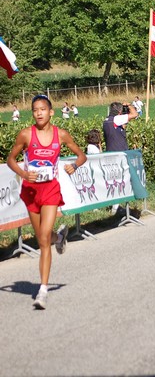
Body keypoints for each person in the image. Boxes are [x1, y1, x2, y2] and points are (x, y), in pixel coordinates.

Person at [6, 94, 86, 310]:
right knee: (43, 236)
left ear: (51, 112)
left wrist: (74, 166)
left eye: (43, 109)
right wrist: (24, 174)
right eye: (35, 109)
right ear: (32, 113)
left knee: (42, 240)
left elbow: (81, 155)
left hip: (50, 190)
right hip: (31, 191)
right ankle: (59, 237)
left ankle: (42, 290)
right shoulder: (25, 134)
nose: (39, 112)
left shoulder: (61, 134)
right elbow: (10, 159)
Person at [103, 102, 138, 215]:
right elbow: (135, 114)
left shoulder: (106, 120)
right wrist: (129, 106)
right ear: (119, 111)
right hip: (119, 154)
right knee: (121, 180)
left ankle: (115, 205)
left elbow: (117, 131)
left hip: (110, 153)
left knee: (114, 180)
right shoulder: (117, 119)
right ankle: (116, 207)